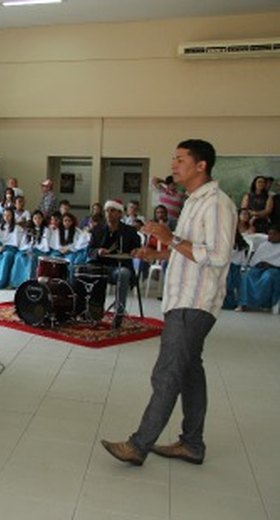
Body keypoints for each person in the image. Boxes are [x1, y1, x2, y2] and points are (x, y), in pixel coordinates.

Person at [101, 138, 237, 467]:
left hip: (195, 302)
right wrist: (158, 252)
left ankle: (138, 445)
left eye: (180, 159)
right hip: (181, 298)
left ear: (201, 165)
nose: (173, 165)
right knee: (190, 373)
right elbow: (190, 249)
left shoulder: (217, 203)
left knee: (167, 373)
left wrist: (169, 238)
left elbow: (217, 256)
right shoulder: (192, 201)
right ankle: (192, 444)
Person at [87, 200, 142, 329]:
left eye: (112, 211)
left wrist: (135, 251)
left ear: (120, 214)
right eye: (107, 211)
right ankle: (94, 309)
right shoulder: (98, 229)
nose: (109, 214)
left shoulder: (129, 231)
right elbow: (89, 251)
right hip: (101, 266)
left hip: (120, 266)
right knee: (88, 270)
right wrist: (98, 251)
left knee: (123, 273)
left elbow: (137, 249)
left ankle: (119, 312)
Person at [236, 223, 280, 311]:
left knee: (268, 277)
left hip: (275, 270)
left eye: (273, 234)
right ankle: (244, 303)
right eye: (269, 234)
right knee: (247, 275)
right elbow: (253, 261)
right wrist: (258, 264)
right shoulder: (264, 245)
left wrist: (271, 264)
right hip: (260, 268)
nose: (270, 236)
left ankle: (264, 304)